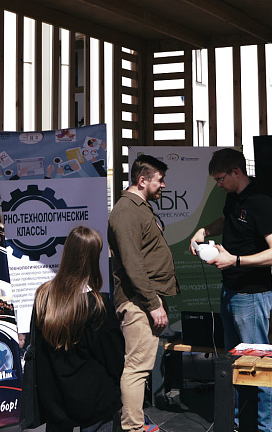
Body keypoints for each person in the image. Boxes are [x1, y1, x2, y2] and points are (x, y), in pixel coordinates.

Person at [189, 148, 272, 432]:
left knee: (258, 363)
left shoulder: (261, 201)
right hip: (230, 290)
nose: (219, 184)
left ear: (236, 172)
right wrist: (205, 231)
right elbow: (227, 221)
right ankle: (237, 421)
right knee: (234, 361)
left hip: (252, 294)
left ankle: (262, 427)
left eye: (221, 179)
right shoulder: (233, 197)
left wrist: (236, 260)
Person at [107, 154, 179, 432]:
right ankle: (133, 428)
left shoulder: (139, 207)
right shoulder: (126, 212)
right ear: (142, 180)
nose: (164, 185)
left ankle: (134, 423)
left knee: (139, 367)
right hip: (138, 303)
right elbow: (132, 263)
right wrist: (152, 303)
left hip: (146, 300)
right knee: (136, 368)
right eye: (160, 180)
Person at [31, 226, 124, 432]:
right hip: (94, 402)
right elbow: (114, 359)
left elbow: (40, 354)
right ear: (92, 259)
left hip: (55, 402)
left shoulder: (43, 297)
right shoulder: (98, 305)